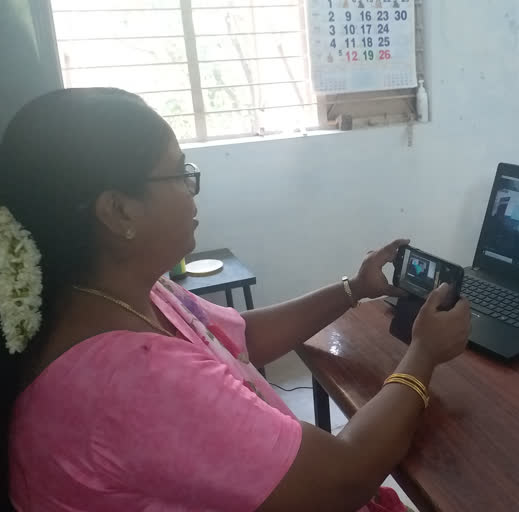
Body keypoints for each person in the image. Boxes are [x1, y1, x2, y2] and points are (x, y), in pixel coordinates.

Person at [0, 88, 471, 511]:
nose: (191, 191)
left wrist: (353, 289)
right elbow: (343, 479)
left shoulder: (112, 294)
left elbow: (237, 337)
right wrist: (423, 353)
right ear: (119, 210)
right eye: (180, 174)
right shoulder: (131, 382)